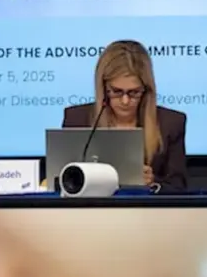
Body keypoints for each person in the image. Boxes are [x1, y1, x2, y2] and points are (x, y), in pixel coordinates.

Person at [62, 40, 187, 192]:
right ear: (103, 87)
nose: (125, 101)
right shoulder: (77, 119)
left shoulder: (171, 123)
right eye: (117, 91)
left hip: (147, 207)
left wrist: (153, 184)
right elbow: (60, 182)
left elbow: (178, 187)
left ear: (146, 90)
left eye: (134, 92)